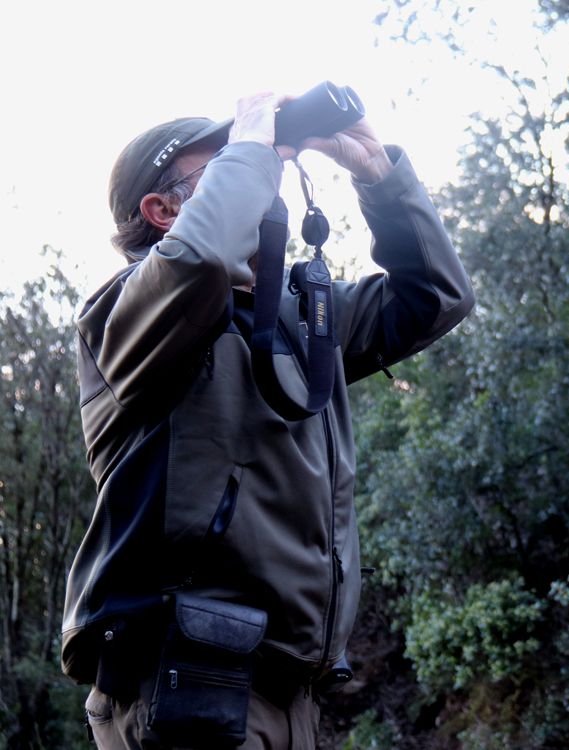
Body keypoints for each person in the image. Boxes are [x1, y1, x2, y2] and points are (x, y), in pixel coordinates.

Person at [62, 91, 474, 749]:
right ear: (162, 210)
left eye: (257, 165)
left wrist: (379, 174)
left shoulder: (298, 319)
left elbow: (435, 298)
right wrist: (252, 144)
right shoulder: (124, 313)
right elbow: (194, 265)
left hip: (288, 686)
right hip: (183, 678)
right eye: (223, 170)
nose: (262, 181)